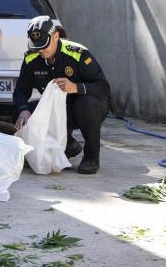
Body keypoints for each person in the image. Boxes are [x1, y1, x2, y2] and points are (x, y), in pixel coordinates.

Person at [13, 16, 111, 174]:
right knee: (21, 114)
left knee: (86, 103)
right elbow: (21, 91)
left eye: (44, 45)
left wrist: (76, 88)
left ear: (56, 36)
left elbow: (103, 87)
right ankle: (68, 146)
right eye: (37, 46)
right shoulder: (31, 58)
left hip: (84, 109)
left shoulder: (78, 53)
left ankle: (91, 156)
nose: (40, 50)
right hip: (57, 110)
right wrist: (23, 109)